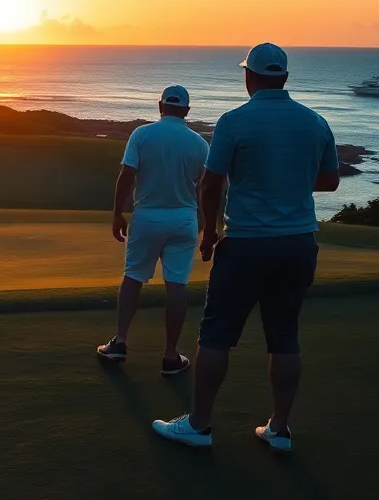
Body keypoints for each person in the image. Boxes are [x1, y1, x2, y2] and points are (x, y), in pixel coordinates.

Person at [152, 43, 339, 454]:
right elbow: (330, 181)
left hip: (247, 245)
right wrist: (286, 181)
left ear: (249, 77)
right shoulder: (315, 122)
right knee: (285, 336)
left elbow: (211, 183)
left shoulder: (234, 121)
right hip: (298, 244)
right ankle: (280, 429)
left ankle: (200, 425)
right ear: (285, 78)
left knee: (217, 334)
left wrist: (209, 232)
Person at [97, 85, 210, 375]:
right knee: (176, 285)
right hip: (184, 219)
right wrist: (209, 225)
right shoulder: (200, 144)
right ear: (186, 110)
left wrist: (117, 213)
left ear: (160, 106)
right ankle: (170, 357)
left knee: (133, 278)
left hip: (147, 217)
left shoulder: (142, 135)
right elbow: (206, 188)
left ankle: (120, 343)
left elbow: (126, 175)